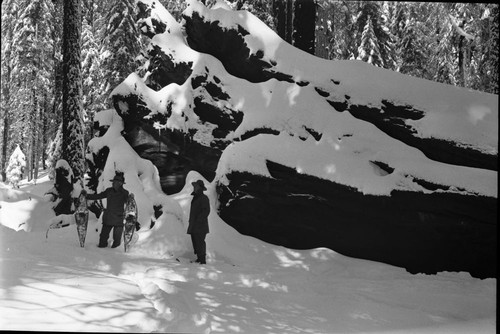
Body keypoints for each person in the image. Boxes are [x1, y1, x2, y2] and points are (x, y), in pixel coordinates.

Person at [82, 173, 131, 248]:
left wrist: (131, 198)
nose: (113, 183)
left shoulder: (125, 193)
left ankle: (114, 257)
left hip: (118, 219)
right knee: (102, 240)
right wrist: (87, 196)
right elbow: (98, 196)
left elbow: (128, 202)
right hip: (108, 218)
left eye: (115, 182)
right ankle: (101, 253)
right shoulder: (109, 191)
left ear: (120, 183)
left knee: (117, 243)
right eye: (113, 182)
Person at [188, 180, 210, 264]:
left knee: (200, 242)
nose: (194, 187)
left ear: (199, 188)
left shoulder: (204, 198)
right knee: (195, 241)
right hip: (195, 225)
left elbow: (206, 211)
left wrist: (198, 220)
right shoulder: (196, 198)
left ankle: (202, 260)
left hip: (200, 225)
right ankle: (199, 258)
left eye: (196, 186)